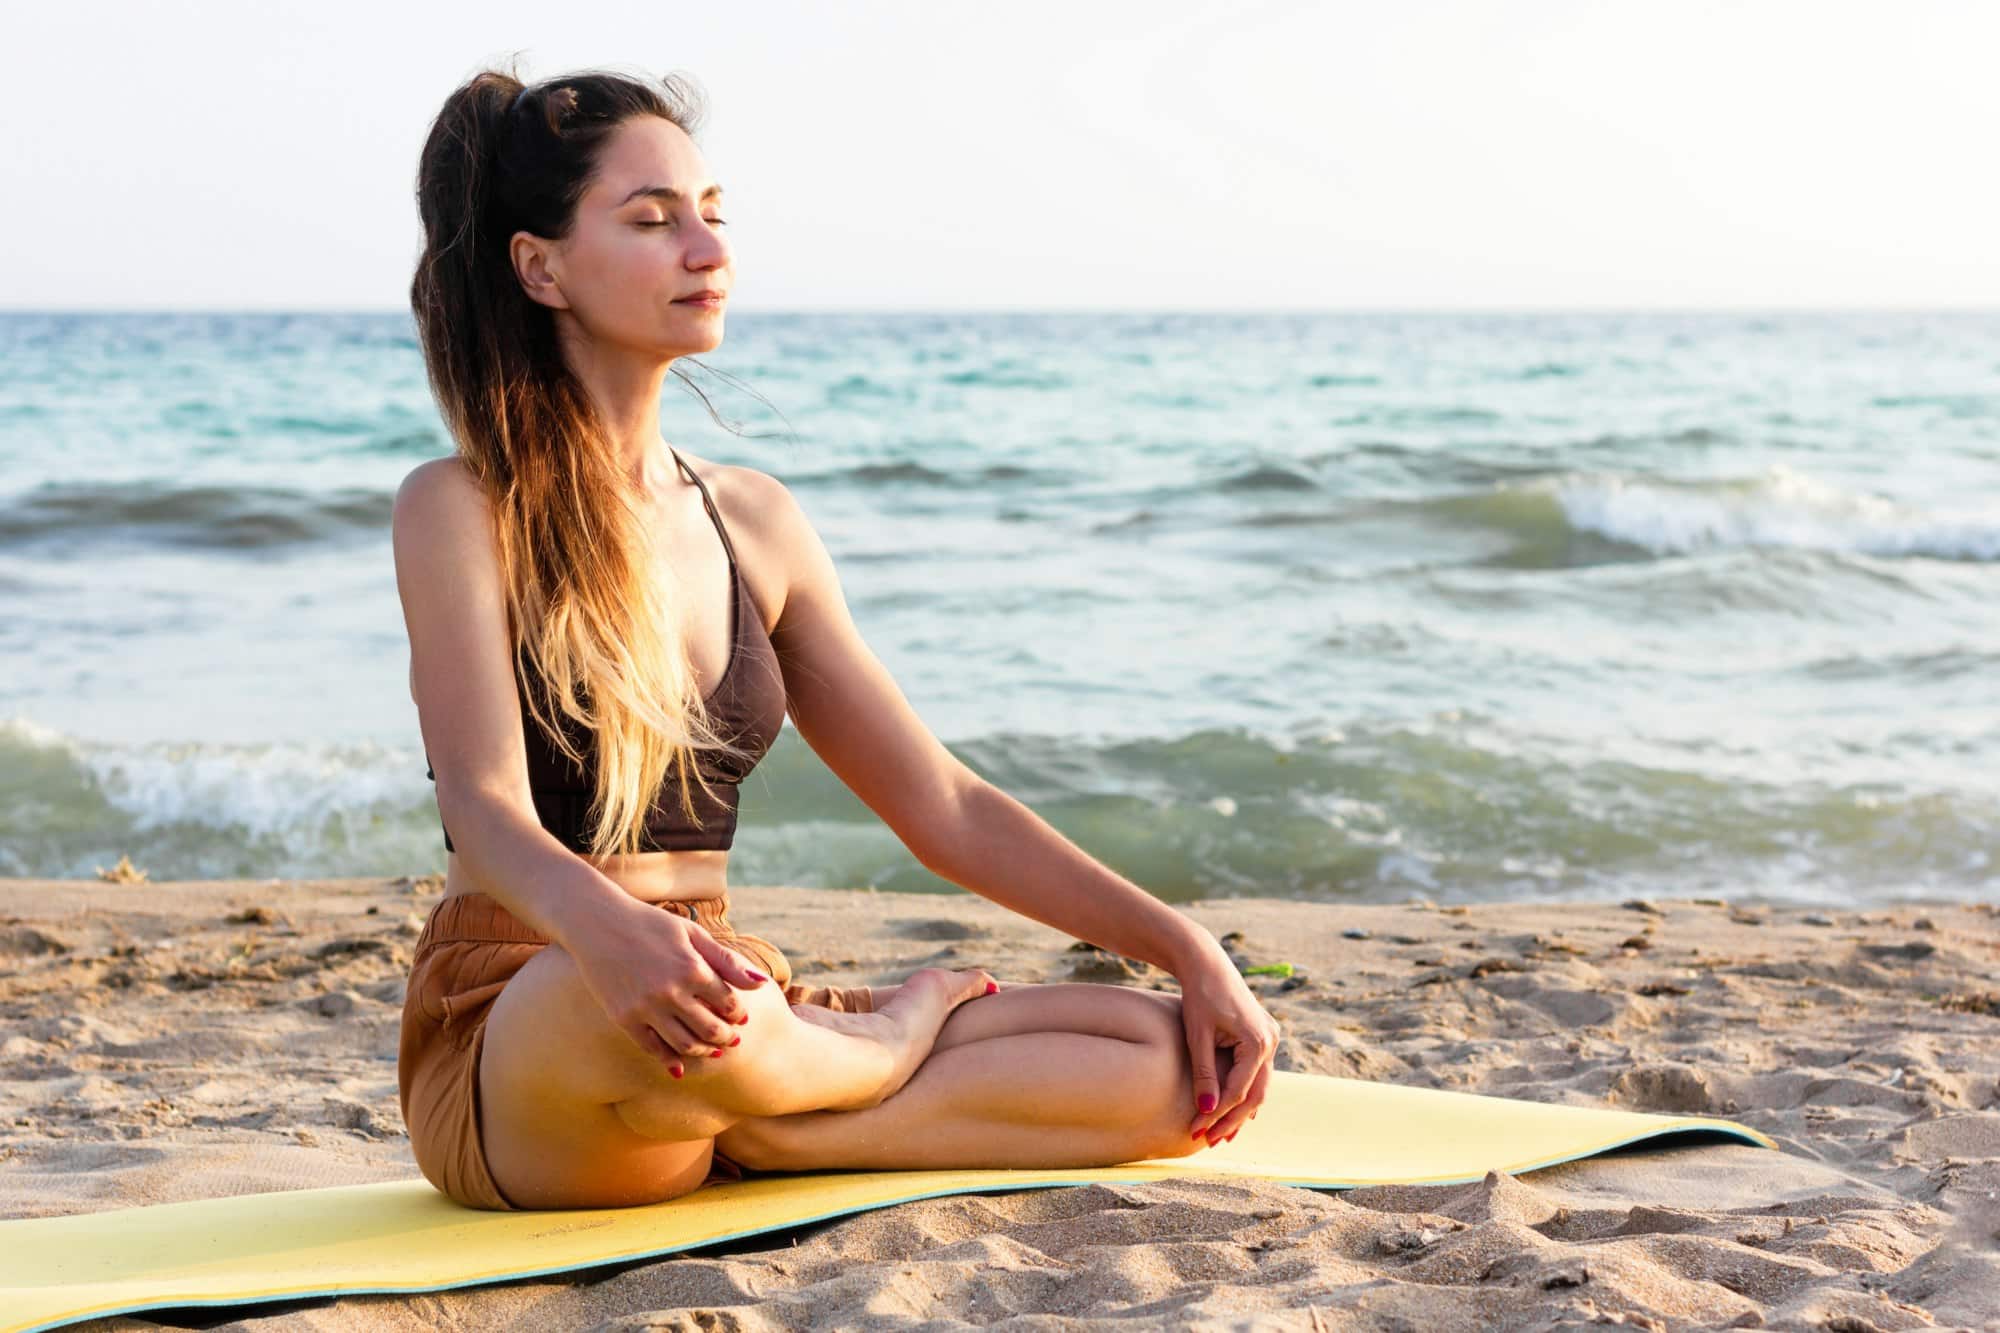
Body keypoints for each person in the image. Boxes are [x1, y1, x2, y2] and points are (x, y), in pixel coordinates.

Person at [394, 62, 1280, 1211]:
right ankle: (872, 1050)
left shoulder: (751, 520)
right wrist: (612, 935)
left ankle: (774, 1127)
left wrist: (1185, 948)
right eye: (654, 221)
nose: (707, 252)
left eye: (712, 217)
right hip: (529, 1015)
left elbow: (941, 803)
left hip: (722, 1005)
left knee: (1168, 1061)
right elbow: (484, 808)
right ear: (540, 265)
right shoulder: (460, 506)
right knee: (595, 1002)